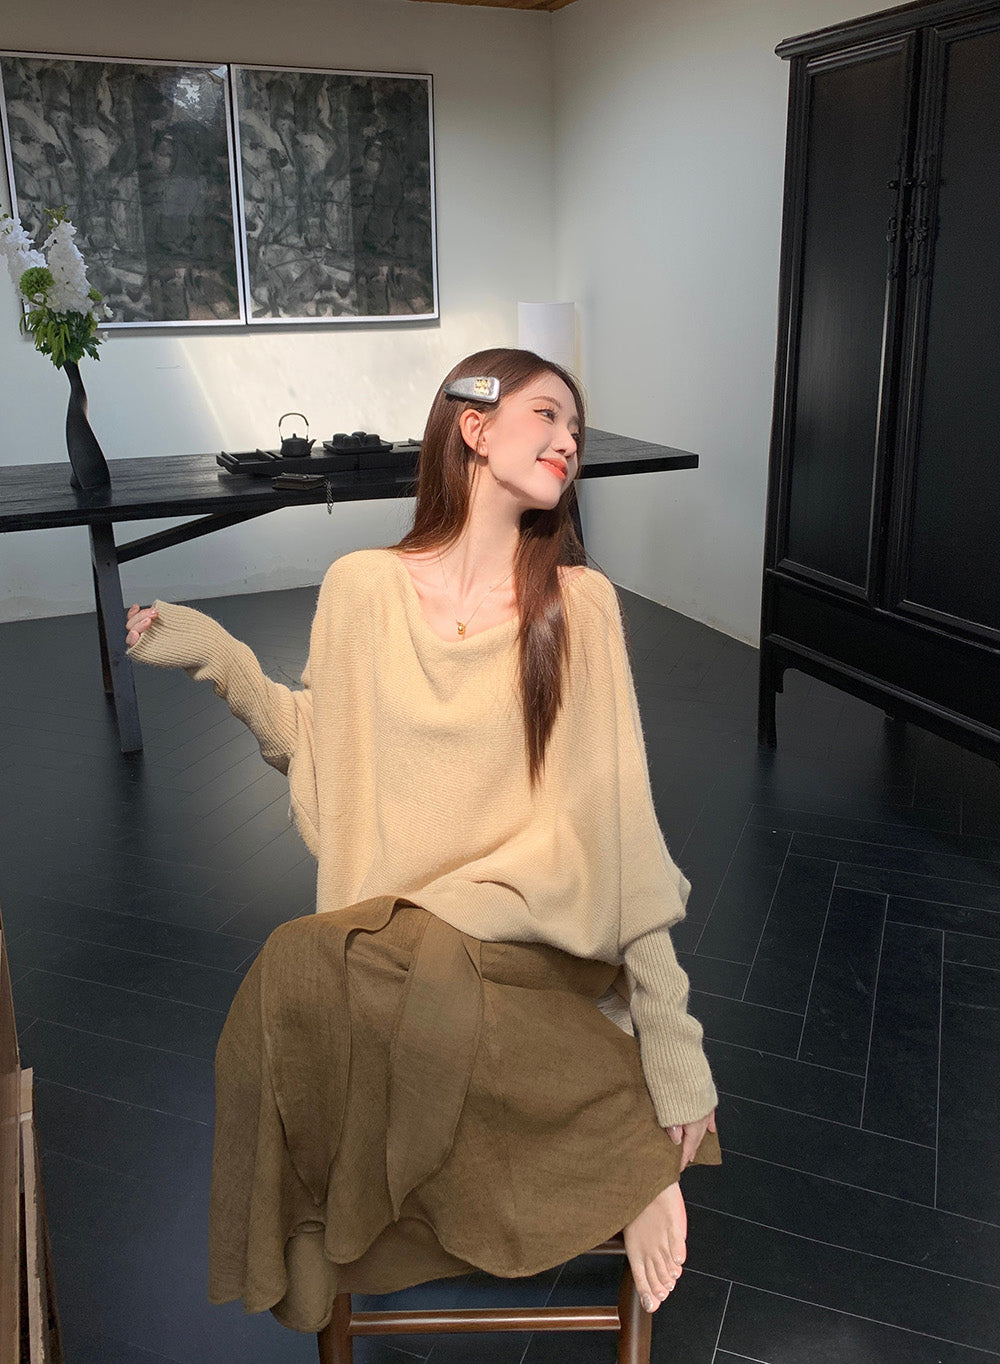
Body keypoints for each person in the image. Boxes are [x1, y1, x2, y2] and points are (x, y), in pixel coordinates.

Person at [125, 347, 720, 1334]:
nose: (569, 439)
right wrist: (221, 658)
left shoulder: (581, 607)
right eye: (546, 415)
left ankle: (630, 1163)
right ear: (473, 426)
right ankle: (615, 1149)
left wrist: (673, 1037)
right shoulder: (361, 588)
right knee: (305, 974)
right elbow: (323, 748)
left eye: (576, 428)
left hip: (531, 945)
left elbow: (625, 831)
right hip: (399, 940)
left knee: (358, 991)